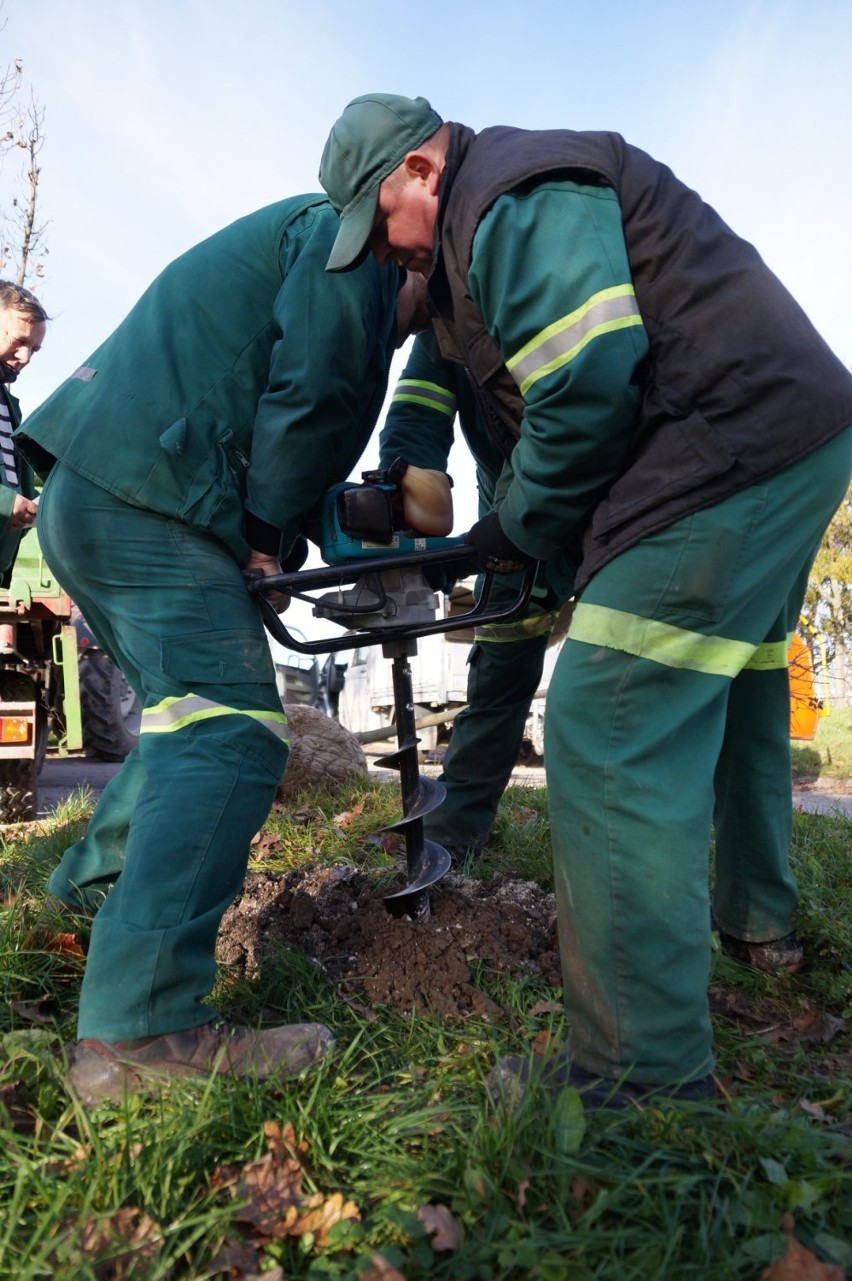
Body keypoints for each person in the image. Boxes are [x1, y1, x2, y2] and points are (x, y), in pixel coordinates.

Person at [317, 94, 852, 1105]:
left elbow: (589, 380)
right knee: (739, 680)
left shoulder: (506, 200)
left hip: (722, 448)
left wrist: (514, 525)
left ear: (422, 174)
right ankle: (758, 922)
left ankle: (637, 1088)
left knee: (606, 715)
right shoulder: (474, 253)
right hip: (789, 432)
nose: (386, 262)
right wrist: (424, 505)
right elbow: (431, 433)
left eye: (382, 233)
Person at [15, 196, 404, 1104]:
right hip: (146, 497)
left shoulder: (304, 244)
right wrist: (270, 532)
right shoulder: (353, 246)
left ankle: (74, 911)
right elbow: (311, 395)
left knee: (182, 722)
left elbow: (279, 401)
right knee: (233, 731)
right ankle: (141, 1027)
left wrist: (296, 522)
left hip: (100, 490)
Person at [379, 316, 569, 860]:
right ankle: (447, 837)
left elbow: (567, 420)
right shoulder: (440, 328)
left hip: (608, 504)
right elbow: (415, 421)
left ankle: (619, 854)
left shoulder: (535, 285)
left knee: (616, 681)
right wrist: (405, 515)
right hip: (509, 517)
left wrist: (507, 525)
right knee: (499, 674)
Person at [0, 281, 45, 577]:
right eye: (19, 340)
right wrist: (5, 503)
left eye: (34, 349)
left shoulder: (9, 405)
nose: (25, 358)